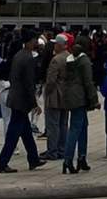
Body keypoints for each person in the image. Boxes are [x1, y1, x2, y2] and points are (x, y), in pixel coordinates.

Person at [0, 28, 47, 173]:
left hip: (15, 97)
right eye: (35, 40)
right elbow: (28, 83)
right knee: (13, 134)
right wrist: (34, 103)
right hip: (21, 100)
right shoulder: (28, 58)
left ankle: (33, 159)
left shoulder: (19, 55)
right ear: (30, 41)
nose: (36, 42)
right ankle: (2, 163)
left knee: (26, 133)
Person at [61, 35, 97, 173]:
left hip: (70, 96)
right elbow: (88, 82)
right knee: (76, 128)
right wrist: (94, 100)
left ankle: (82, 158)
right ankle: (68, 160)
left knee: (82, 126)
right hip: (80, 97)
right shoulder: (84, 61)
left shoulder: (69, 60)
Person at [42, 34, 69, 162]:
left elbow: (51, 80)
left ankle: (52, 151)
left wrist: (46, 92)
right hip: (66, 95)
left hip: (55, 95)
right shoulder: (69, 57)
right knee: (63, 124)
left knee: (53, 124)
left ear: (59, 45)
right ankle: (62, 149)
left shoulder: (56, 60)